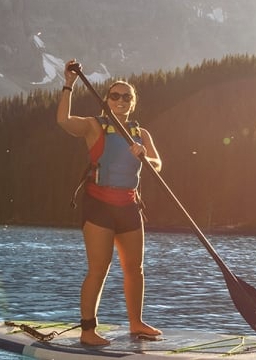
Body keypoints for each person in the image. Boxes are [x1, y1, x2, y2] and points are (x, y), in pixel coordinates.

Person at [56, 60, 165, 346]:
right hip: (99, 206)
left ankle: (136, 323)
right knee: (99, 268)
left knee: (135, 269)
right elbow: (63, 121)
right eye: (115, 95)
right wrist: (69, 84)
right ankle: (88, 330)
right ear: (106, 100)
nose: (120, 100)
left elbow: (157, 165)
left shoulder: (141, 134)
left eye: (126, 96)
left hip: (129, 206)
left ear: (133, 103)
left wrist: (145, 155)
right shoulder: (94, 126)